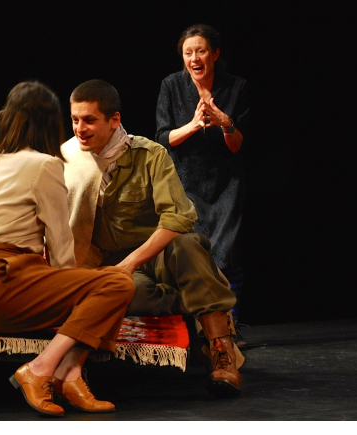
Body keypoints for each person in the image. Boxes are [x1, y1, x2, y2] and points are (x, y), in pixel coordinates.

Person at [0, 81, 135, 416]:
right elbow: (60, 244)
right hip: (6, 280)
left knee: (99, 291)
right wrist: (74, 290)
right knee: (117, 284)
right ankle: (43, 369)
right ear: (52, 124)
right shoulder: (45, 165)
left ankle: (71, 373)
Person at [62, 79, 244, 397]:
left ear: (114, 120)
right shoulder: (69, 159)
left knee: (188, 244)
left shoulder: (149, 155)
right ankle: (202, 295)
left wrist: (132, 262)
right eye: (75, 119)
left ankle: (221, 351)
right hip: (110, 263)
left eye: (89, 120)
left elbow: (179, 218)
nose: (80, 128)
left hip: (159, 256)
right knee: (119, 295)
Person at [155, 24, 250, 320]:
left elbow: (237, 145)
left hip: (226, 181)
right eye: (188, 53)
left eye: (201, 51)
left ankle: (230, 322)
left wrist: (226, 122)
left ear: (215, 54)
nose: (194, 58)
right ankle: (199, 324)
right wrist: (194, 125)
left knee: (227, 251)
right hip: (185, 180)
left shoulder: (236, 87)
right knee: (193, 252)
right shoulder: (171, 85)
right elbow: (163, 138)